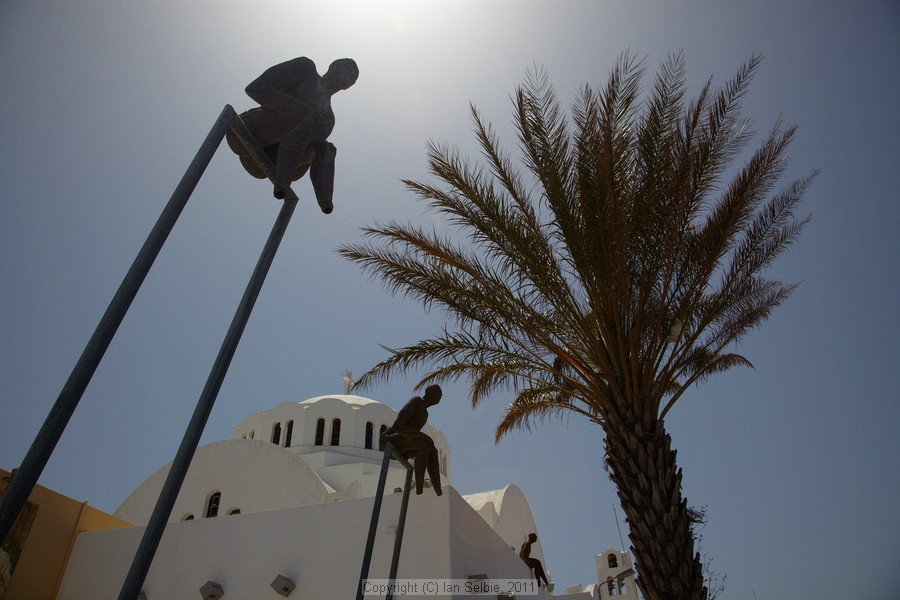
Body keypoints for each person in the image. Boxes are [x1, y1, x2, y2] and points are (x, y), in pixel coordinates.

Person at [225, 57, 359, 213]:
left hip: (268, 162)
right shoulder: (306, 69)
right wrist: (301, 109)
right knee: (309, 117)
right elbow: (256, 88)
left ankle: (325, 202)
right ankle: (283, 181)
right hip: (248, 131)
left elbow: (302, 145)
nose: (351, 75)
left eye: (354, 77)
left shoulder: (329, 119)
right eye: (348, 68)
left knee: (326, 148)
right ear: (334, 66)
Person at [380, 385, 443, 496]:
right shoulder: (416, 401)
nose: (440, 396)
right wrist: (424, 437)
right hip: (389, 439)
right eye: (439, 393)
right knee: (425, 443)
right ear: (430, 393)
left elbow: (414, 436)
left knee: (433, 450)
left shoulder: (425, 414)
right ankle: (419, 487)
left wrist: (424, 439)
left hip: (403, 442)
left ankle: (437, 488)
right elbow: (398, 426)